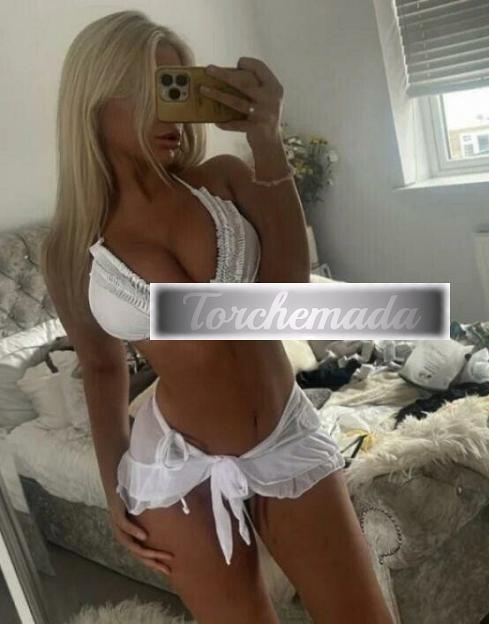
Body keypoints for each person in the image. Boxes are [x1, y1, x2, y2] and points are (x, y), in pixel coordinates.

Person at [42, 10, 395, 624]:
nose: (172, 113)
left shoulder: (223, 181)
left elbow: (289, 296)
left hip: (285, 436)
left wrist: (266, 139)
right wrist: (114, 485)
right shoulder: (73, 245)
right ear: (96, 100)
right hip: (175, 468)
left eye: (179, 88)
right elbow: (101, 368)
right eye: (153, 90)